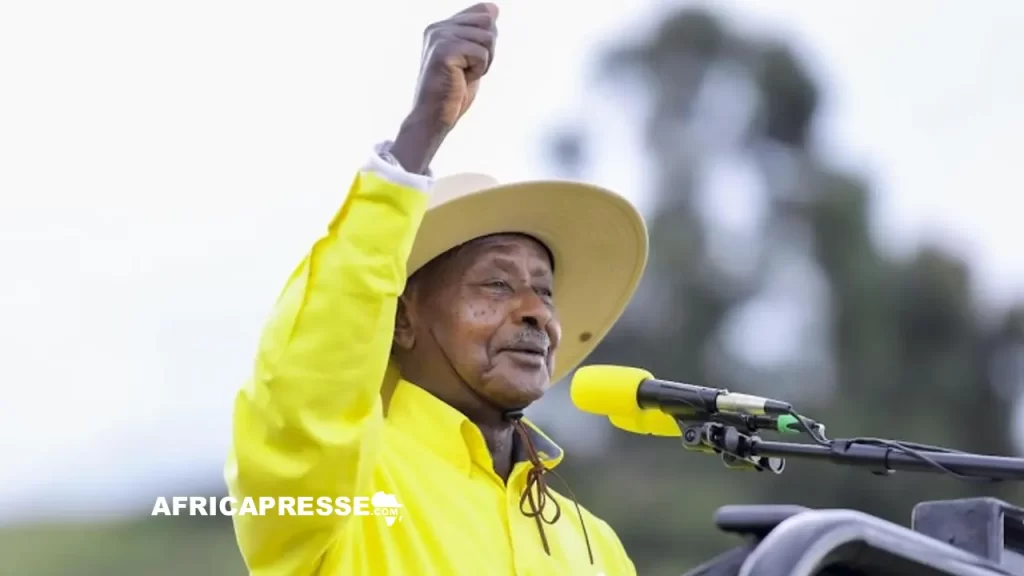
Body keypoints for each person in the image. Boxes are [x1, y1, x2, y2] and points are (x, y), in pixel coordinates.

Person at [225, 3, 648, 574]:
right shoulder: (339, 494)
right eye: (496, 283)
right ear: (400, 319)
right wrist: (419, 136)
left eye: (545, 292)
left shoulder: (595, 544)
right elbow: (306, 388)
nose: (535, 313)